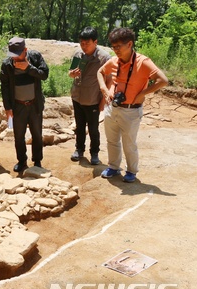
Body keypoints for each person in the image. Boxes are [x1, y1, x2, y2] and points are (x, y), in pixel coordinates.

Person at [97, 27, 168, 182]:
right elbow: (100, 72)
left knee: (129, 143)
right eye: (113, 47)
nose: (115, 51)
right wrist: (104, 88)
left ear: (129, 44)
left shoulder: (143, 62)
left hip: (131, 111)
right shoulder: (114, 61)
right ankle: (114, 167)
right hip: (112, 108)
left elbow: (163, 80)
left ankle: (131, 171)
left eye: (118, 47)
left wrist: (143, 94)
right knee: (112, 141)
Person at [0, 36, 49, 172]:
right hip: (18, 106)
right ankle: (22, 161)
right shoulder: (7, 64)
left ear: (25, 50)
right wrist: (7, 107)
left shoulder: (35, 57)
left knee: (37, 134)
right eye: (12, 55)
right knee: (19, 136)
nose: (14, 57)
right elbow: (4, 87)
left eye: (17, 54)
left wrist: (29, 68)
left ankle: (37, 161)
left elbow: (44, 74)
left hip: (34, 104)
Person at [69, 27, 111, 165]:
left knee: (93, 128)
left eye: (87, 43)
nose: (84, 46)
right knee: (79, 126)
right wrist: (72, 74)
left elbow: (109, 81)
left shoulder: (104, 58)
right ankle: (79, 150)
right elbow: (70, 72)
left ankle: (94, 153)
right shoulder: (78, 54)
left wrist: (103, 102)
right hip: (77, 97)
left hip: (93, 99)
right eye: (82, 43)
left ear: (95, 42)